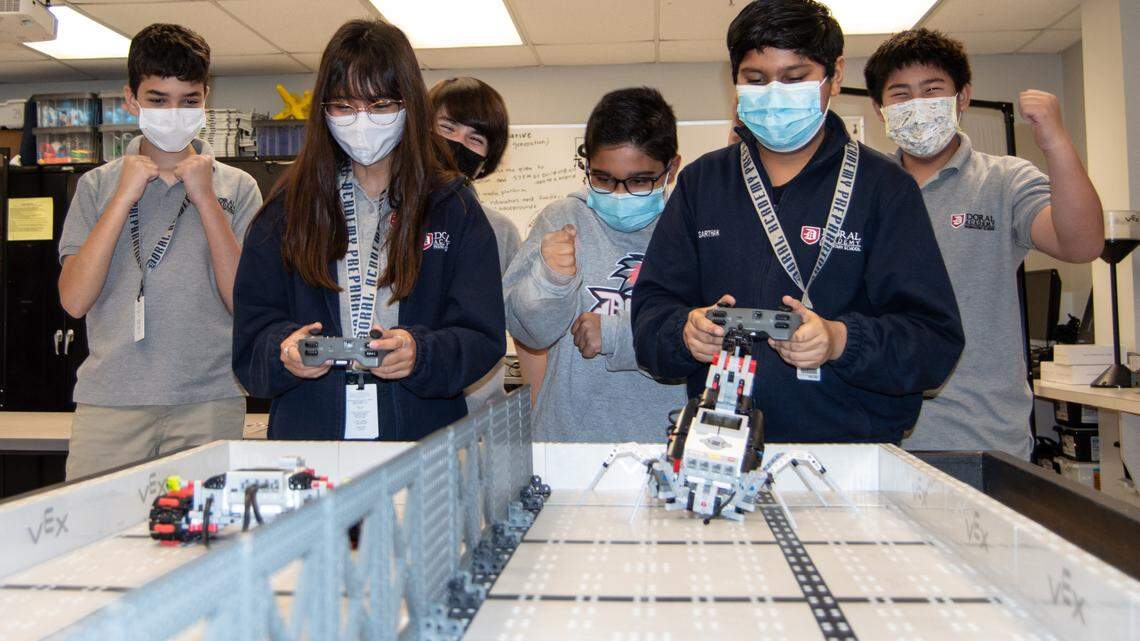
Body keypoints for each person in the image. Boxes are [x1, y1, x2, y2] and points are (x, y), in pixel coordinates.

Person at [631, 0, 965, 444]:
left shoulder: (883, 187)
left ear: (835, 75)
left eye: (794, 78)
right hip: (721, 445)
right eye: (755, 79)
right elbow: (651, 314)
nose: (774, 92)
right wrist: (684, 333)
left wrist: (841, 340)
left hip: (849, 451)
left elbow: (933, 342)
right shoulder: (702, 183)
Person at [232, 19, 505, 441]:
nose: (361, 121)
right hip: (312, 439)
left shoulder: (451, 205)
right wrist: (282, 352)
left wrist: (423, 354)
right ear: (323, 110)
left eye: (379, 106)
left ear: (410, 106)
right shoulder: (288, 208)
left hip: (421, 442)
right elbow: (250, 341)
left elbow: (482, 336)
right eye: (343, 107)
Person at [864, 29, 1104, 457]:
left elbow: (1082, 243)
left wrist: (1054, 140)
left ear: (962, 98)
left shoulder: (1005, 181)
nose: (918, 105)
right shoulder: (863, 188)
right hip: (875, 429)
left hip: (981, 435)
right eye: (900, 94)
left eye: (932, 89)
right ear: (881, 110)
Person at [57, 24, 261, 480]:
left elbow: (243, 300)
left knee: (207, 545)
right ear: (131, 100)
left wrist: (207, 199)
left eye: (189, 100)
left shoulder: (238, 187)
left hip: (209, 400)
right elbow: (73, 300)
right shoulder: (96, 186)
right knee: (98, 541)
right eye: (158, 99)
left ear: (205, 98)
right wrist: (123, 197)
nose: (174, 112)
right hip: (111, 400)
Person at [503, 87, 687, 441]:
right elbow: (529, 334)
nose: (619, 193)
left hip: (666, 442)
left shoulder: (689, 227)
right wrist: (550, 281)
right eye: (602, 179)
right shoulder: (560, 218)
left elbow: (703, 333)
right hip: (569, 440)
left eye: (638, 181)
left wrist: (620, 334)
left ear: (671, 168)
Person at [427, 76, 528, 413]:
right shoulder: (383, 217)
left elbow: (526, 328)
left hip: (478, 416)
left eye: (475, 138)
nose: (456, 144)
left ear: (486, 160)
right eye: (447, 128)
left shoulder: (500, 232)